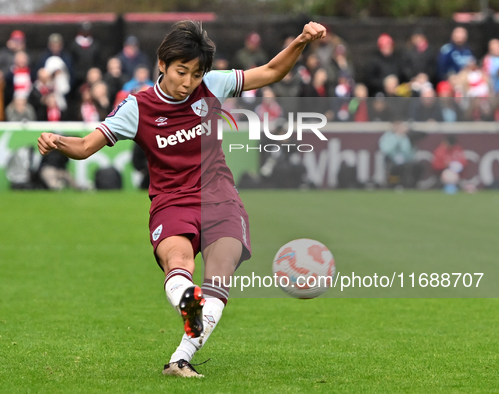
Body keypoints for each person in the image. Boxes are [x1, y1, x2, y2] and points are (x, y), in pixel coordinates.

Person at [37, 20, 327, 378]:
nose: (188, 82)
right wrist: (57, 140)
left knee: (219, 276)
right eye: (181, 71)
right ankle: (187, 311)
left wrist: (300, 41)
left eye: (195, 73)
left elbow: (271, 71)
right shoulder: (137, 108)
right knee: (180, 260)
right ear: (162, 63)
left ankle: (180, 358)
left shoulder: (212, 85)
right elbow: (83, 147)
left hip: (220, 198)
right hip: (172, 202)